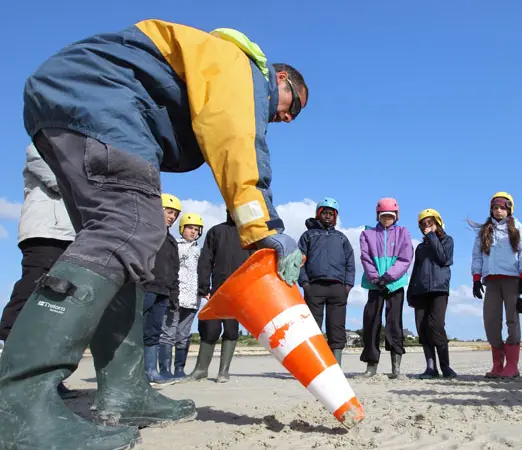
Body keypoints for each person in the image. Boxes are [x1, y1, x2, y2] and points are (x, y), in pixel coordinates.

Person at [0, 20, 308, 449]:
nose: (288, 116)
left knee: (124, 250)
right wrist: (265, 229)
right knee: (128, 229)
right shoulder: (242, 68)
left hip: (67, 100)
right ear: (278, 77)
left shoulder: (206, 61)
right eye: (295, 102)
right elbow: (238, 143)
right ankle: (20, 406)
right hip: (100, 103)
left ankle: (125, 393)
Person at [0, 143, 77, 399]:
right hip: (45, 232)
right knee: (33, 287)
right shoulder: (42, 146)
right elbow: (60, 181)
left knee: (56, 305)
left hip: (70, 235)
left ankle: (45, 377)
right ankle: (7, 346)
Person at [185, 211, 254, 383]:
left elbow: (255, 263)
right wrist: (203, 286)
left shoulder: (250, 235)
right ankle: (201, 369)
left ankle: (224, 371)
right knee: (210, 328)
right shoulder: (216, 231)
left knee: (231, 329)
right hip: (217, 288)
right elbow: (205, 260)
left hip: (239, 290)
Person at [471, 192, 522, 379]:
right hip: (491, 281)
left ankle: (512, 365)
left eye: (502, 208)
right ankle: (498, 363)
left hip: (512, 278)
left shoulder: (517, 228)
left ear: (509, 209)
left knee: (512, 319)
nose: (498, 211)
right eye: (495, 208)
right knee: (491, 321)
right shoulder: (484, 231)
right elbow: (477, 256)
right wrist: (476, 279)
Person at [359, 198, 413, 379]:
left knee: (394, 323)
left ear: (396, 216)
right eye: (383, 216)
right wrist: (376, 278)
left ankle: (395, 367)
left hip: (394, 284)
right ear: (378, 216)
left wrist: (388, 277)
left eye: (390, 216)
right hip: (375, 285)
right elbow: (366, 258)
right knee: (372, 322)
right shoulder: (367, 234)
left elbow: (405, 258)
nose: (387, 219)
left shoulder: (403, 232)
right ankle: (371, 365)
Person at [298, 198, 355, 367]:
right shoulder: (308, 235)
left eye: (331, 214)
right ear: (318, 214)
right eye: (325, 213)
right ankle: (313, 366)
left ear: (335, 217)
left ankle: (335, 366)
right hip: (314, 287)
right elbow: (299, 261)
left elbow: (350, 262)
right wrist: (305, 284)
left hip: (338, 288)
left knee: (336, 328)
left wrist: (348, 286)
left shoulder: (341, 238)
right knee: (312, 327)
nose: (328, 216)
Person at [408, 208, 456, 379]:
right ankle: (430, 368)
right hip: (420, 291)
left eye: (430, 223)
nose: (427, 227)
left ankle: (446, 367)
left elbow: (443, 258)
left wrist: (432, 237)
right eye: (423, 224)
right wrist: (410, 292)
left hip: (439, 290)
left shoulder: (447, 241)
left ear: (438, 223)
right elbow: (416, 270)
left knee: (436, 327)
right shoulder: (420, 248)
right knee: (422, 328)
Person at [160, 212, 204, 380]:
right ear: (182, 228)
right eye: (190, 228)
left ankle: (179, 369)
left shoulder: (200, 251)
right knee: (168, 333)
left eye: (196, 229)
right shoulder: (174, 245)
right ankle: (164, 370)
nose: (193, 232)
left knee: (183, 335)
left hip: (193, 299)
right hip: (176, 295)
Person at [144, 193, 181, 385]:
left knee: (154, 331)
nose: (172, 217)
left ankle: (151, 371)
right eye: (169, 212)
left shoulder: (172, 241)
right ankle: (133, 373)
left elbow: (175, 270)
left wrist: (174, 295)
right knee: (136, 330)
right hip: (145, 287)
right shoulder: (147, 232)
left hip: (164, 291)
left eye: (175, 214)